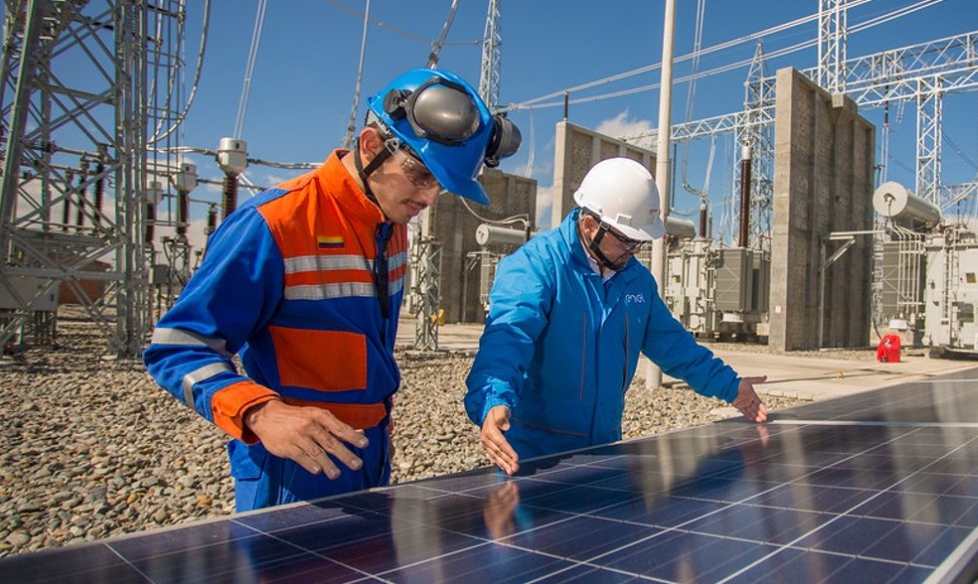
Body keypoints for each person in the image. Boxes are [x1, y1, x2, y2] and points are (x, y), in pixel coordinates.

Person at [144, 67, 520, 511]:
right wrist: (260, 412)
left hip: (367, 454)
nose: (430, 199)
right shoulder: (274, 225)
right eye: (421, 175)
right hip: (293, 470)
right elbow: (177, 346)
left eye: (442, 184)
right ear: (371, 146)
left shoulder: (390, 225)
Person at [464, 157, 769, 475]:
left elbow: (675, 348)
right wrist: (493, 400)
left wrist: (730, 386)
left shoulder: (636, 280)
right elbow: (508, 338)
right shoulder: (536, 265)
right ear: (590, 225)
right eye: (626, 240)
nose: (634, 251)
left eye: (640, 242)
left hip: (606, 446)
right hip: (534, 455)